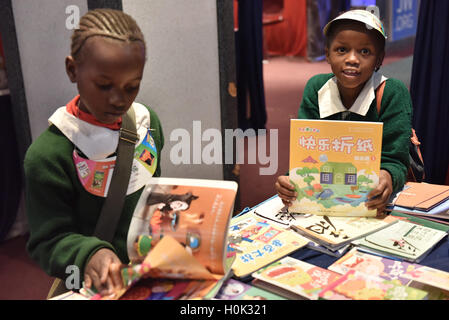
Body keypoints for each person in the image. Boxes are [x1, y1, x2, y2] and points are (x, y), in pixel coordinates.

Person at [24, 9, 164, 297]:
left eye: (132, 87)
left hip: (148, 278)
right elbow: (47, 240)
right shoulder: (48, 155)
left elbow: (152, 197)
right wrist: (89, 254)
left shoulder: (147, 123)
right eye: (104, 86)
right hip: (95, 287)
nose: (118, 100)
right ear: (72, 69)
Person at [275, 9, 412, 216]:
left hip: (371, 201)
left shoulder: (392, 93)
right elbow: (306, 152)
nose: (352, 59)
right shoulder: (316, 88)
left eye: (365, 52)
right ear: (328, 54)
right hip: (322, 200)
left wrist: (388, 176)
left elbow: (396, 158)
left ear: (380, 59)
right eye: (341, 50)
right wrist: (290, 180)